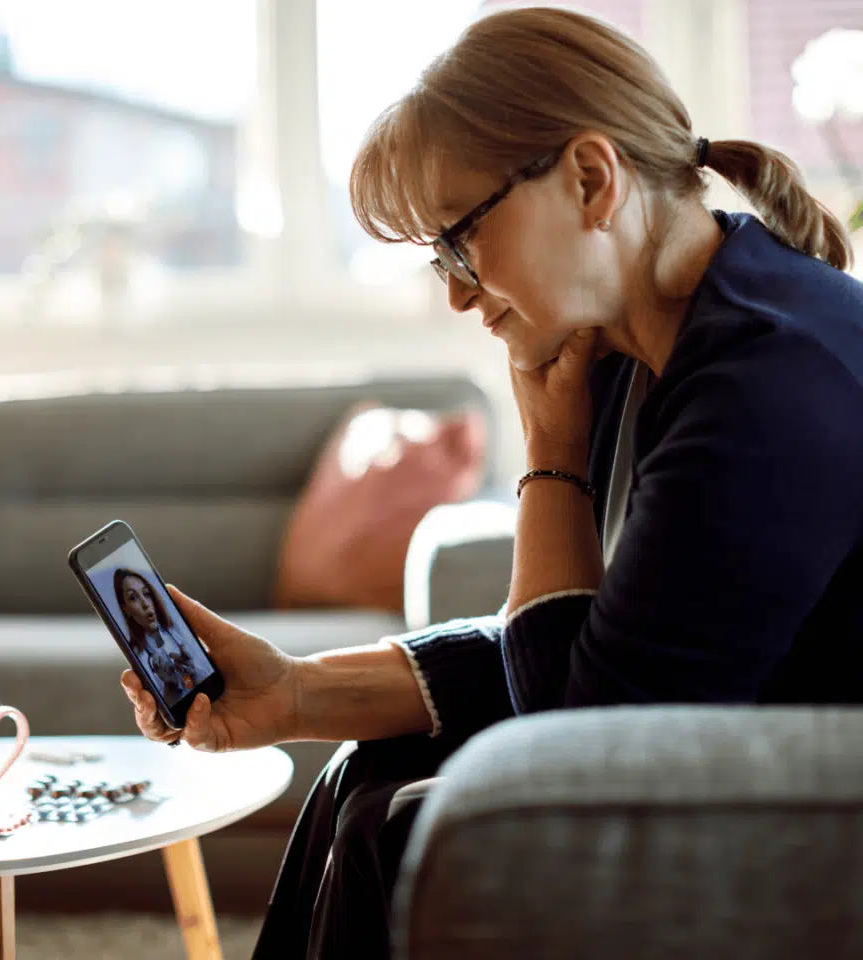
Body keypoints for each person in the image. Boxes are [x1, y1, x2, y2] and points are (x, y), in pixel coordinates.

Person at [120, 7, 863, 958]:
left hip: (805, 809)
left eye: (461, 241)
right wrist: (297, 692)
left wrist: (551, 452)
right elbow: (595, 652)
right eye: (439, 258)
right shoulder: (644, 349)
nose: (458, 293)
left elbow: (579, 744)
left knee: (391, 823)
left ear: (592, 179)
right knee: (366, 776)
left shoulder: (765, 383)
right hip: (706, 759)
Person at [113, 568, 201, 702]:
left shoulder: (178, 631)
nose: (146, 604)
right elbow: (162, 713)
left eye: (146, 594)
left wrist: (194, 674)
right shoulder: (139, 658)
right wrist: (170, 688)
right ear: (126, 609)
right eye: (133, 598)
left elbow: (207, 677)